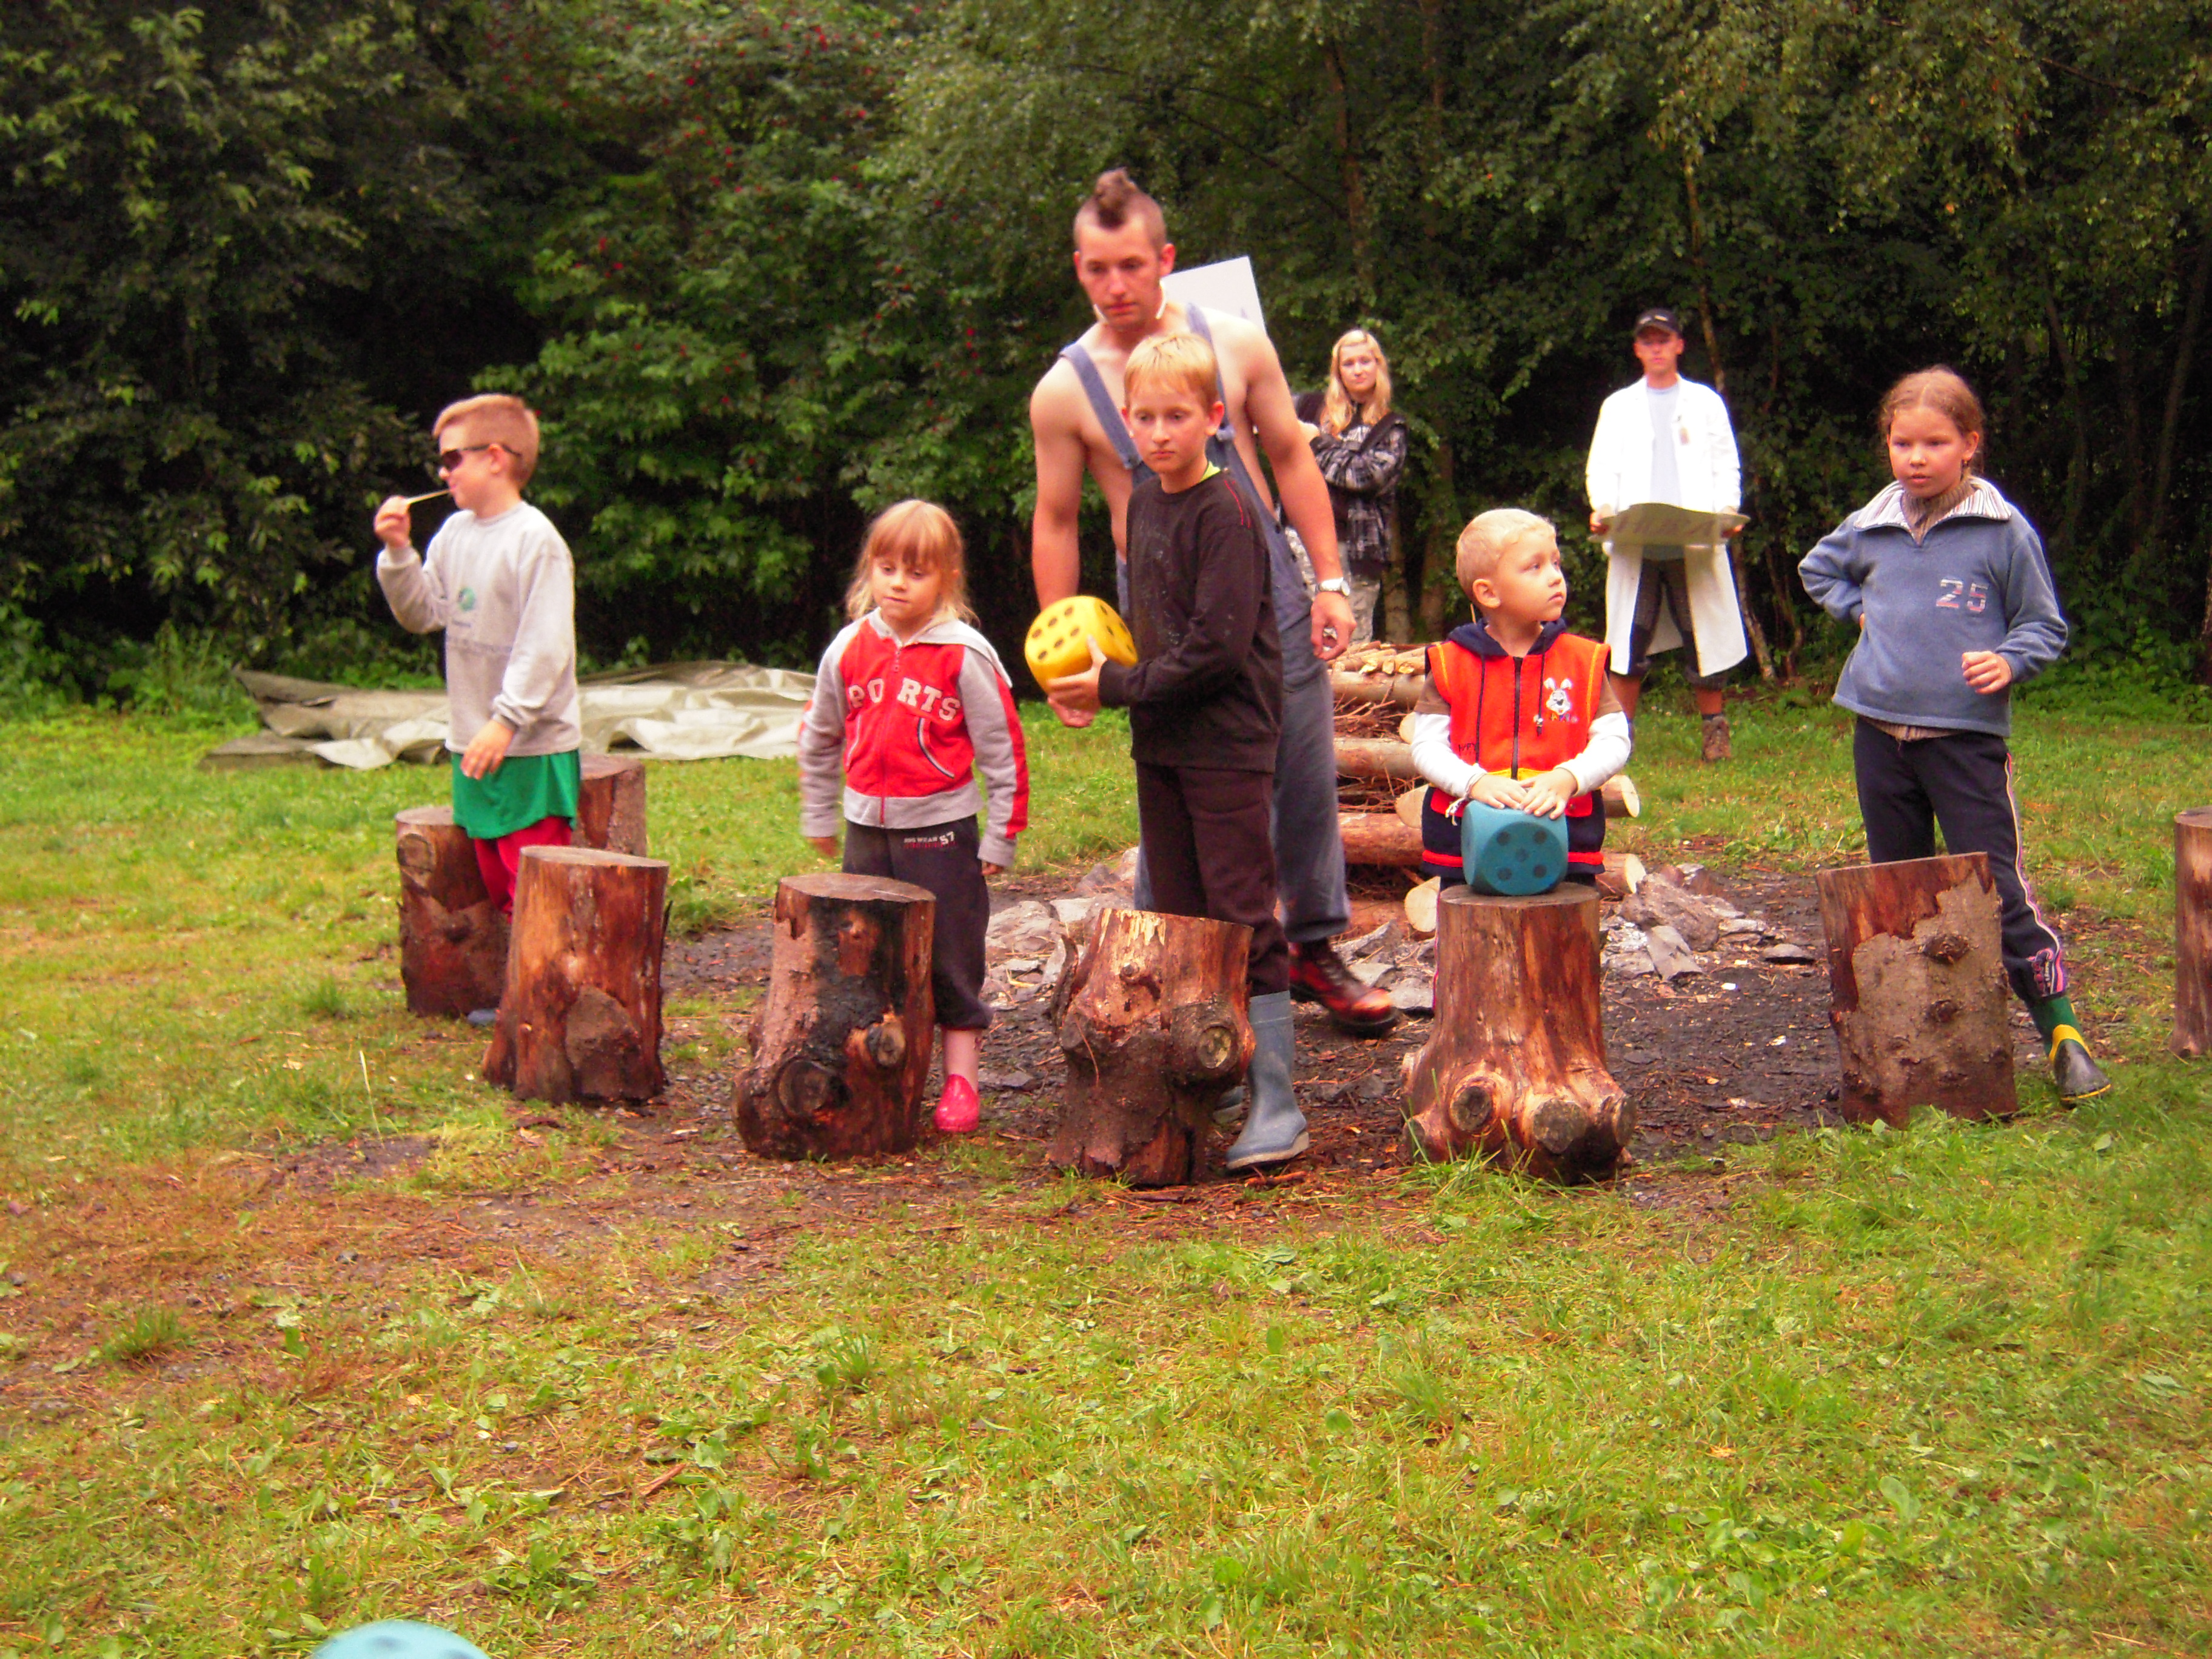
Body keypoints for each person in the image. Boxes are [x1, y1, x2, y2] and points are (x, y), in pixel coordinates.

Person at [1029, 168, 1395, 1036]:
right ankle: (1165, 965)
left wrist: (1330, 581)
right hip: (1159, 604)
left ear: (1165, 259)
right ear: (1078, 267)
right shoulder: (1065, 388)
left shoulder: (1234, 343)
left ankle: (1310, 946)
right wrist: (1060, 656)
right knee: (1174, 774)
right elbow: (1056, 519)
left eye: (1132, 265)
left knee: (1302, 762)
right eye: (1098, 269)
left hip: (1267, 580)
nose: (1116, 286)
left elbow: (1293, 457)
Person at [1798, 367, 2108, 1102]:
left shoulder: (2002, 531)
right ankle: (1916, 1050)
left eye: (1934, 443)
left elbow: (2043, 625)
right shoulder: (1872, 523)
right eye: (1902, 443)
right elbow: (1819, 570)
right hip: (1879, 733)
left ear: (1969, 444)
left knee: (1997, 888)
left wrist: (2009, 660)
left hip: (1964, 739)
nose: (1916, 458)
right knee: (1897, 888)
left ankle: (2062, 1034)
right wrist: (1860, 612)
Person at [1045, 333, 1305, 1170]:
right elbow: (1151, 626)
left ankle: (1277, 1101)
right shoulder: (1145, 503)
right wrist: (1107, 677)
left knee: (1241, 913)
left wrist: (1115, 685)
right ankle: (1213, 1066)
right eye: (1146, 418)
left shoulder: (1228, 512)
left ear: (1215, 417)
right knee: (1184, 915)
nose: (1160, 433)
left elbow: (1216, 651)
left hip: (1228, 742)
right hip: (1161, 740)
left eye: (1178, 417)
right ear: (1125, 421)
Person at [796, 500, 1031, 1134]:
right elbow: (820, 735)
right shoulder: (849, 648)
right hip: (866, 833)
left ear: (947, 579)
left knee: (952, 955)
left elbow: (1003, 749)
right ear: (869, 570)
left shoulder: (965, 654)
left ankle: (961, 1080)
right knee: (863, 953)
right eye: (888, 568)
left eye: (917, 572)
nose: (899, 583)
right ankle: (872, 1069)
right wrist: (819, 811)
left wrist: (1002, 835)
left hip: (941, 832)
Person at [374, 394, 581, 964]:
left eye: (452, 459)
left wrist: (507, 720)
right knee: (496, 883)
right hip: (475, 742)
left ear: (495, 458)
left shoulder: (536, 541)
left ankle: (546, 996)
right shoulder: (453, 535)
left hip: (531, 748)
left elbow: (546, 645)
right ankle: (522, 993)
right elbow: (423, 613)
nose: (443, 474)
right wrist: (398, 552)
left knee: (536, 887)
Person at [1409, 509, 1631, 884]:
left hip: (1566, 840)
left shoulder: (1584, 661)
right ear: (1488, 592)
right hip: (1467, 843)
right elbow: (1427, 748)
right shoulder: (1450, 664)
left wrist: (1570, 777)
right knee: (1471, 922)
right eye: (1535, 567)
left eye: (1555, 563)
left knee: (1566, 920)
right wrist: (1474, 783)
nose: (1555, 576)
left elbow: (1615, 740)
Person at [1585, 307, 1745, 762]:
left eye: (1664, 340)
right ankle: (1619, 738)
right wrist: (1604, 510)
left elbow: (1725, 464)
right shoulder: (1618, 406)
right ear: (1638, 349)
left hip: (1693, 537)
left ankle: (1715, 731)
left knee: (1702, 636)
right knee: (1629, 638)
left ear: (1679, 345)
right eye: (1648, 341)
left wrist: (1727, 512)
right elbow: (1602, 467)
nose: (1657, 348)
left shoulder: (1705, 403)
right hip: (1637, 538)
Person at [1293, 328, 1408, 644]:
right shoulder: (1308, 407)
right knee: (1294, 641)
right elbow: (1259, 408)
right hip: (1295, 542)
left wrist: (1316, 443)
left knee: (1348, 646)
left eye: (1365, 361)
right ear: (1338, 371)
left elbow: (1365, 477)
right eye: (1349, 363)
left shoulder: (1391, 427)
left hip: (1354, 552)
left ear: (1378, 366)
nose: (1358, 370)